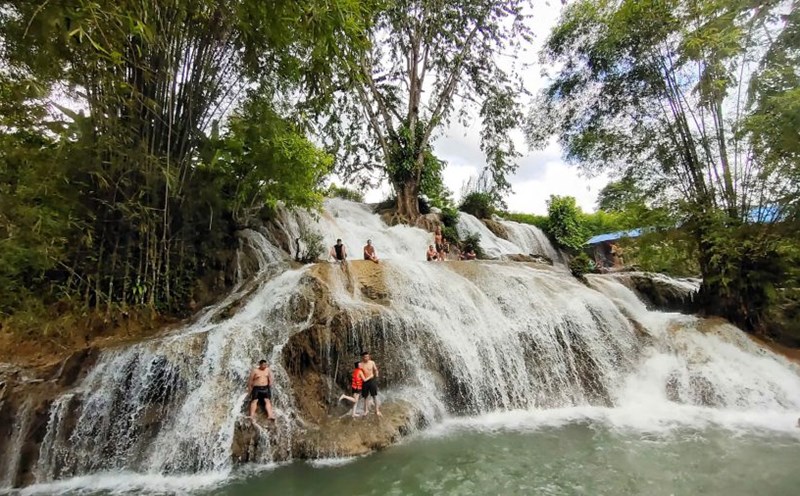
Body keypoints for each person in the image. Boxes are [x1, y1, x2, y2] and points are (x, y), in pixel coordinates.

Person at [360, 351, 381, 416]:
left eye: (367, 356)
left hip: (371, 380)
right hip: (364, 381)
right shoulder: (360, 364)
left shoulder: (372, 362)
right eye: (365, 357)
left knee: (374, 396)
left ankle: (377, 410)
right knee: (365, 397)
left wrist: (377, 375)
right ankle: (366, 410)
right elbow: (358, 373)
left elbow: (375, 370)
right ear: (362, 357)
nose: (366, 358)